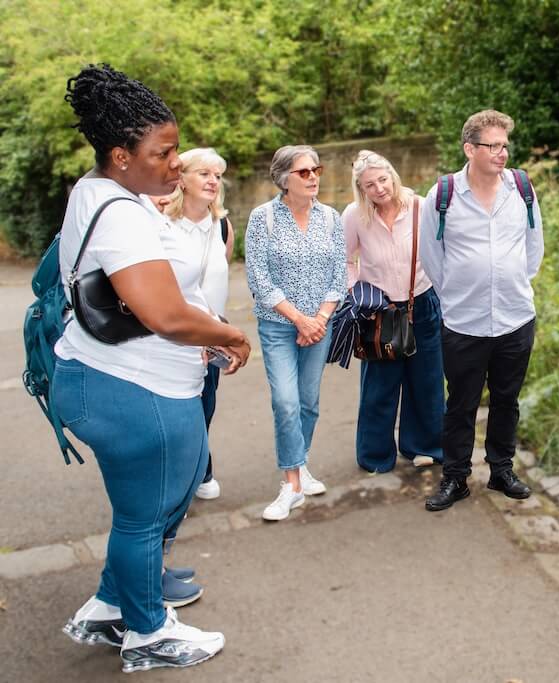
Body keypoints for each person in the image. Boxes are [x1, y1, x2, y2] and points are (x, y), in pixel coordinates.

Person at [55, 64, 250, 673]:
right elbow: (165, 313)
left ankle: (111, 603)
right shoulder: (121, 214)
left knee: (151, 507)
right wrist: (228, 334)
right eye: (162, 153)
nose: (173, 164)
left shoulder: (95, 191)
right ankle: (148, 632)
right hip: (132, 388)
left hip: (104, 378)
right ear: (120, 155)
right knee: (146, 518)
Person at [419, 110, 544, 511]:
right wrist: (460, 292)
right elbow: (432, 256)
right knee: (461, 403)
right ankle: (456, 478)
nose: (502, 153)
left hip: (515, 318)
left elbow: (533, 247)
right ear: (469, 149)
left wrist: (511, 284)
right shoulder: (442, 196)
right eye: (493, 146)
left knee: (507, 399)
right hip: (463, 322)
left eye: (505, 145)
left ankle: (501, 470)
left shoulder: (521, 189)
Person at [245, 145, 346, 521]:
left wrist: (318, 319)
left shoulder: (331, 218)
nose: (314, 177)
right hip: (278, 327)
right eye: (304, 172)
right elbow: (258, 277)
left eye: (315, 170)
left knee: (308, 402)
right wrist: (299, 320)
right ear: (283, 179)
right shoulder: (263, 218)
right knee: (285, 402)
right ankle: (291, 486)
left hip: (320, 324)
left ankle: (299, 465)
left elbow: (339, 274)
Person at [341, 150, 444, 473]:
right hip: (380, 310)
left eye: (383, 180)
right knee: (379, 388)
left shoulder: (420, 206)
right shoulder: (355, 215)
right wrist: (358, 292)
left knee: (426, 382)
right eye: (369, 185)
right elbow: (344, 260)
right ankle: (375, 456)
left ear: (393, 176)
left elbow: (441, 250)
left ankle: (424, 447)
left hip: (422, 304)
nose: (379, 189)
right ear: (361, 188)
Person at [162, 148, 234, 501]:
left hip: (212, 339)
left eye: (217, 176)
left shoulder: (222, 225)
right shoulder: (161, 224)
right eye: (204, 173)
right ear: (182, 179)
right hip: (172, 338)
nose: (213, 181)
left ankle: (201, 470)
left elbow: (217, 282)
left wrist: (218, 333)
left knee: (205, 407)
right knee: (176, 415)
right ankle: (177, 485)